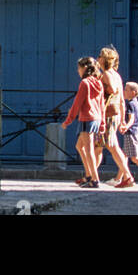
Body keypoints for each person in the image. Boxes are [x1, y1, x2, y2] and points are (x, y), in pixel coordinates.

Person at [62, 55, 104, 187]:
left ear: (85, 68)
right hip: (96, 118)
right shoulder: (99, 83)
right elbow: (102, 104)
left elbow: (77, 104)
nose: (78, 71)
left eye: (79, 68)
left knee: (88, 148)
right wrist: (102, 122)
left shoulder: (85, 83)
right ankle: (89, 175)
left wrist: (68, 120)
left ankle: (94, 179)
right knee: (79, 146)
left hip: (87, 118)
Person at [95, 46, 134, 187]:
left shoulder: (105, 75)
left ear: (104, 59)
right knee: (98, 147)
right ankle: (91, 176)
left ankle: (128, 176)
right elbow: (122, 100)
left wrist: (104, 88)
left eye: (100, 56)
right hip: (115, 114)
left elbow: (111, 89)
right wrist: (122, 119)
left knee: (112, 145)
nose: (97, 58)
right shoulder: (117, 75)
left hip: (108, 115)